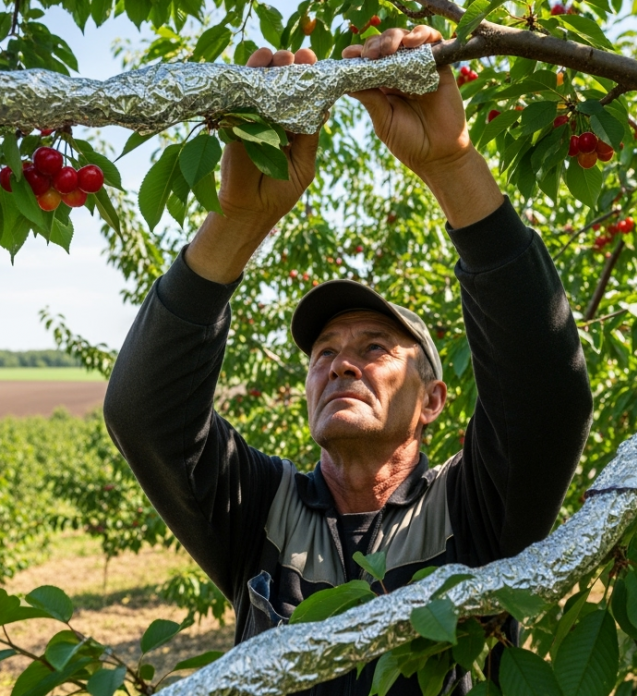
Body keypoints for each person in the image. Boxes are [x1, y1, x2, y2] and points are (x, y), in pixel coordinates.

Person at [103, 24, 593, 696]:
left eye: (373, 349)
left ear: (432, 400)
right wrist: (239, 219)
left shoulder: (475, 508)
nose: (339, 364)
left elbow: (545, 392)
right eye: (324, 353)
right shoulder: (259, 512)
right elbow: (145, 415)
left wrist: (451, 165)